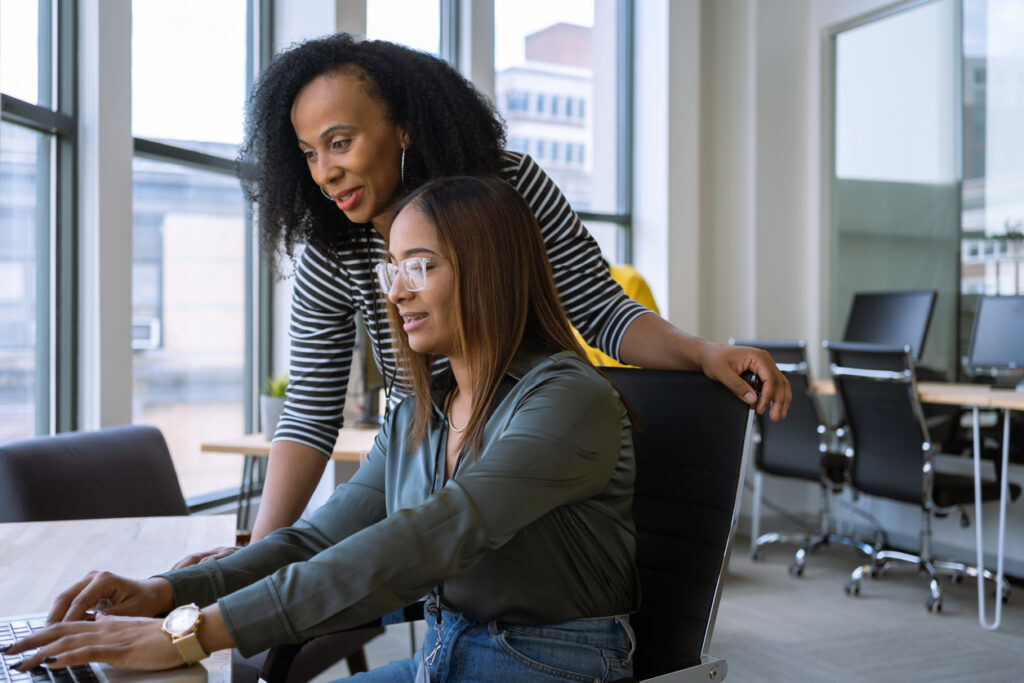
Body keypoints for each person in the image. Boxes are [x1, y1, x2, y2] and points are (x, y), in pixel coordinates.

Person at [171, 32, 790, 566]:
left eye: (340, 143)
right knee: (328, 568)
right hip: (427, 457)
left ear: (403, 127)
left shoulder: (508, 189)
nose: (324, 172)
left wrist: (702, 352)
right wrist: (263, 550)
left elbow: (602, 312)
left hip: (527, 450)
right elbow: (310, 410)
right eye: (308, 153)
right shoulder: (335, 248)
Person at [6, 177, 639, 682]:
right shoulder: (425, 409)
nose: (395, 293)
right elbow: (313, 540)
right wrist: (166, 590)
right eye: (393, 269)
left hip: (547, 666)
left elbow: (422, 540)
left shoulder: (568, 399)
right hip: (443, 658)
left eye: (420, 266)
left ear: (489, 271)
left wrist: (190, 632)